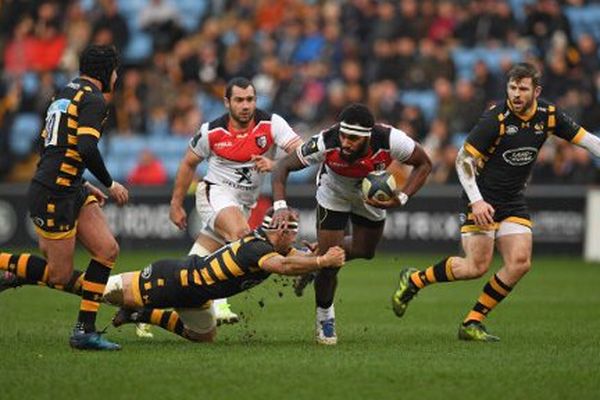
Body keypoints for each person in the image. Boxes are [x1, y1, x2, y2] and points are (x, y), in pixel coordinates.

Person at [391, 62, 600, 342]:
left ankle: (472, 322)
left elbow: (587, 141)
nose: (516, 94)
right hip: (480, 197)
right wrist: (477, 202)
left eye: (522, 89)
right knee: (475, 267)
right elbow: (463, 160)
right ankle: (415, 280)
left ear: (536, 91)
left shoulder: (548, 115)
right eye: (512, 87)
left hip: (512, 199)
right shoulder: (497, 119)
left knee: (520, 262)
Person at [1, 210, 346, 342]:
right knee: (91, 289)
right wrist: (321, 261)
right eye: (293, 230)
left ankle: (140, 314)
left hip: (195, 296)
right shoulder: (257, 249)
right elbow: (285, 267)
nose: (295, 235)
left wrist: (317, 255)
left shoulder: (277, 246)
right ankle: (21, 271)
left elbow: (293, 258)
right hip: (173, 279)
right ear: (279, 231)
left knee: (203, 337)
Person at [271, 103, 432, 345]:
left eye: (354, 138)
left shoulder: (391, 139)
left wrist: (401, 198)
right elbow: (282, 167)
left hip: (370, 196)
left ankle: (313, 258)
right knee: (331, 262)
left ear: (368, 137)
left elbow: (424, 163)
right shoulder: (326, 140)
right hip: (333, 193)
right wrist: (280, 207)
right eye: (344, 135)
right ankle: (325, 319)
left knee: (366, 251)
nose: (346, 142)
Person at [1, 45, 129, 350]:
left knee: (107, 249)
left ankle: (84, 331)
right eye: (115, 70)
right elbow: (86, 147)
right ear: (105, 71)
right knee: (59, 275)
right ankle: (10, 268)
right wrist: (109, 183)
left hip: (68, 186)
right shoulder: (95, 99)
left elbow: (53, 147)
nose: (116, 76)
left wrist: (82, 183)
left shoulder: (64, 93)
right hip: (54, 192)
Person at [169, 77, 302, 325]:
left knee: (193, 266)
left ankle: (150, 304)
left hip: (244, 203)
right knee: (241, 235)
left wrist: (275, 164)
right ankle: (218, 302)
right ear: (227, 102)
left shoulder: (271, 124)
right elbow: (188, 163)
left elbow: (301, 152)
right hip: (215, 193)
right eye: (239, 100)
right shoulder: (212, 131)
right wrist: (176, 204)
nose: (245, 105)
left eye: (250, 99)